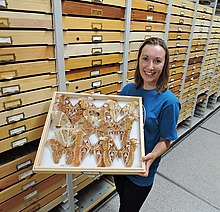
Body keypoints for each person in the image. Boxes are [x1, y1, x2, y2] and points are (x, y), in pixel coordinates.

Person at [114, 37, 181, 212]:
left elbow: (166, 139)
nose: (150, 66)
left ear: (164, 65)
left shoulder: (169, 102)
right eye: (145, 59)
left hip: (142, 170)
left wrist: (152, 156)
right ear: (138, 60)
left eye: (157, 61)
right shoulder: (128, 90)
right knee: (122, 199)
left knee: (128, 209)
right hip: (121, 164)